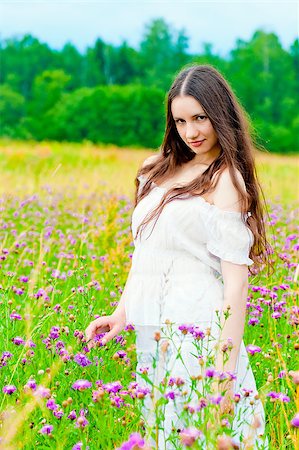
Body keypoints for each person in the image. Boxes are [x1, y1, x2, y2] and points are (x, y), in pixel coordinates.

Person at [85, 65, 269, 449]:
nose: (192, 132)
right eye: (181, 120)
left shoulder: (226, 181)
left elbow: (236, 287)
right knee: (162, 438)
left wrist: (226, 371)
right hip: (154, 331)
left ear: (221, 114)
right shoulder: (154, 169)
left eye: (201, 118)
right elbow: (146, 252)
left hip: (198, 332)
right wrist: (122, 313)